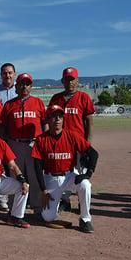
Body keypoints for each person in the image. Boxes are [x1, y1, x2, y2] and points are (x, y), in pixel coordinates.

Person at [31, 105, 98, 233]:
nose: (57, 119)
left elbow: (93, 154)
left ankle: (85, 219)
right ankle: (58, 203)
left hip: (70, 176)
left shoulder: (71, 136)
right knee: (48, 217)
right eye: (53, 116)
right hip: (51, 178)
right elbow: (37, 166)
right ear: (47, 120)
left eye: (60, 116)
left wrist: (88, 173)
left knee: (85, 185)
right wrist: (43, 191)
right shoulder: (41, 140)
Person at [48, 67, 96, 211]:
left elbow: (89, 122)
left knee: (81, 172)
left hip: (78, 142)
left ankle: (83, 202)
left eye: (72, 79)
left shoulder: (83, 97)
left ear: (77, 81)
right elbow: (49, 120)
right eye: (67, 79)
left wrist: (87, 143)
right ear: (62, 81)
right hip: (60, 143)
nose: (70, 82)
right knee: (64, 172)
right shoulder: (56, 98)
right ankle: (65, 200)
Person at [0, 73, 47, 214]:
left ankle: (37, 207)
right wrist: (4, 145)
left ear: (31, 86)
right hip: (15, 143)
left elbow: (45, 124)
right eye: (21, 83)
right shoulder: (9, 105)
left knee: (35, 176)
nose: (24, 86)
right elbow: (2, 127)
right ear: (16, 87)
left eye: (27, 84)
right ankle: (14, 207)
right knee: (16, 177)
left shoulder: (38, 102)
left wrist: (43, 142)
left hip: (34, 144)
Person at [0, 63, 18, 211]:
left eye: (10, 73)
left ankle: (16, 196)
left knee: (13, 166)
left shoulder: (19, 91)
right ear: (1, 75)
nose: (7, 75)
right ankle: (0, 198)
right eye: (4, 73)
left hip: (15, 135)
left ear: (14, 74)